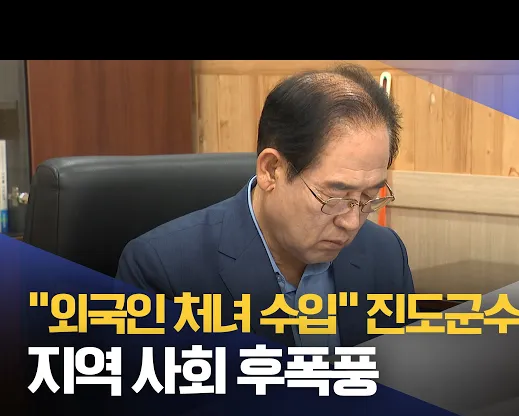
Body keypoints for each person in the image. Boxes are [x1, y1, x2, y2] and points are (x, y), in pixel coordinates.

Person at [116, 63, 415, 348]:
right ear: (271, 170)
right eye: (335, 197)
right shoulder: (162, 270)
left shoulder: (385, 254)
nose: (351, 222)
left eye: (368, 197)